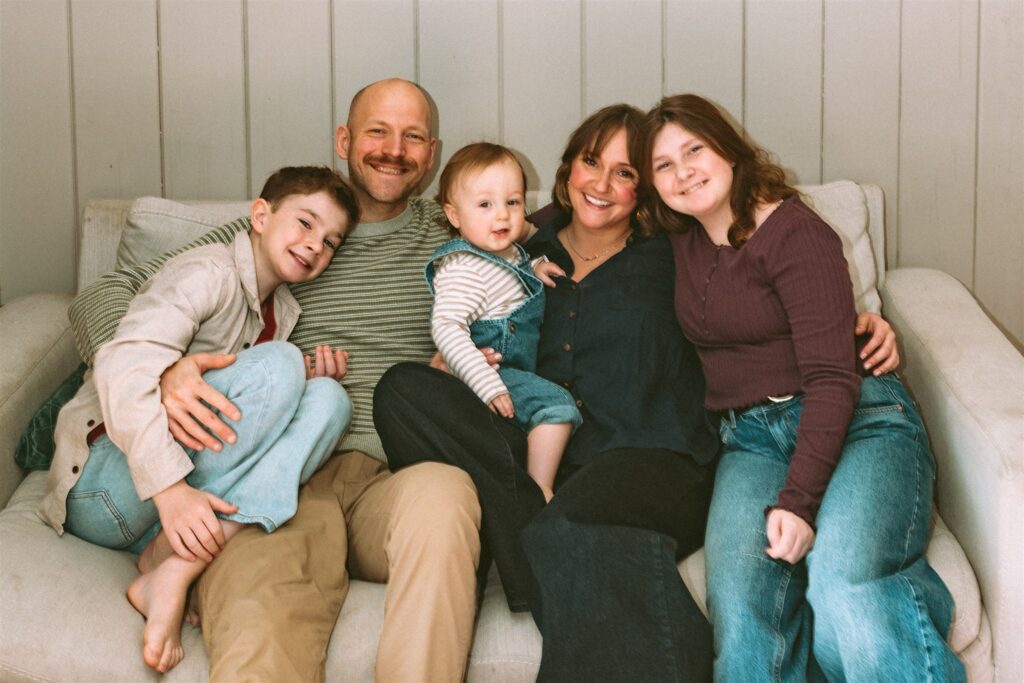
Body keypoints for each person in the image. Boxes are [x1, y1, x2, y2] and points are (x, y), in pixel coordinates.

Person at [374, 104, 902, 681]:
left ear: (645, 188)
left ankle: (529, 540)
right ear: (568, 169)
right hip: (552, 456)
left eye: (625, 173)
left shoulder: (674, 246)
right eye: (591, 162)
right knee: (404, 388)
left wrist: (860, 320)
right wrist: (458, 357)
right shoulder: (522, 245)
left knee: (567, 529)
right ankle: (532, 519)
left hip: (658, 457)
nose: (602, 185)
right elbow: (475, 289)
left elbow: (759, 287)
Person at [67, 79, 482, 682]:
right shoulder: (276, 232)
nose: (394, 149)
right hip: (273, 470)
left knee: (446, 497)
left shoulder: (453, 231)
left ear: (433, 153)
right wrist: (165, 375)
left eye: (413, 136)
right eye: (377, 131)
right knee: (262, 615)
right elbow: (104, 295)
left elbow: (528, 273)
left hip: (393, 477)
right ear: (344, 140)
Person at [642, 93, 965, 681]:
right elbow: (585, 211)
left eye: (694, 149)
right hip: (751, 441)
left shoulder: (795, 233)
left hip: (860, 421)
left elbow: (832, 376)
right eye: (663, 164)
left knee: (844, 585)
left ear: (729, 150)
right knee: (740, 616)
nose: (682, 170)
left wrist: (799, 502)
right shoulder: (678, 240)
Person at [40, 166, 358, 672]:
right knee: (281, 365)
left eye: (330, 241)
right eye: (304, 222)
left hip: (171, 525)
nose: (315, 245)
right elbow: (122, 364)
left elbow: (239, 415)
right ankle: (175, 551)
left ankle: (174, 567)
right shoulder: (207, 272)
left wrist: (306, 377)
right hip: (107, 486)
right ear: (260, 215)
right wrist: (170, 491)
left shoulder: (284, 311)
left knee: (330, 401)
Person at [430, 142, 581, 505]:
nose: (502, 216)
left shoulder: (508, 254)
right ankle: (539, 490)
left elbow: (511, 274)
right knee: (558, 406)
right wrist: (486, 385)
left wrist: (536, 266)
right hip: (487, 373)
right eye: (485, 205)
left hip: (509, 371)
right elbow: (447, 328)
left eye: (512, 202)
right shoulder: (462, 268)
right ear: (453, 215)